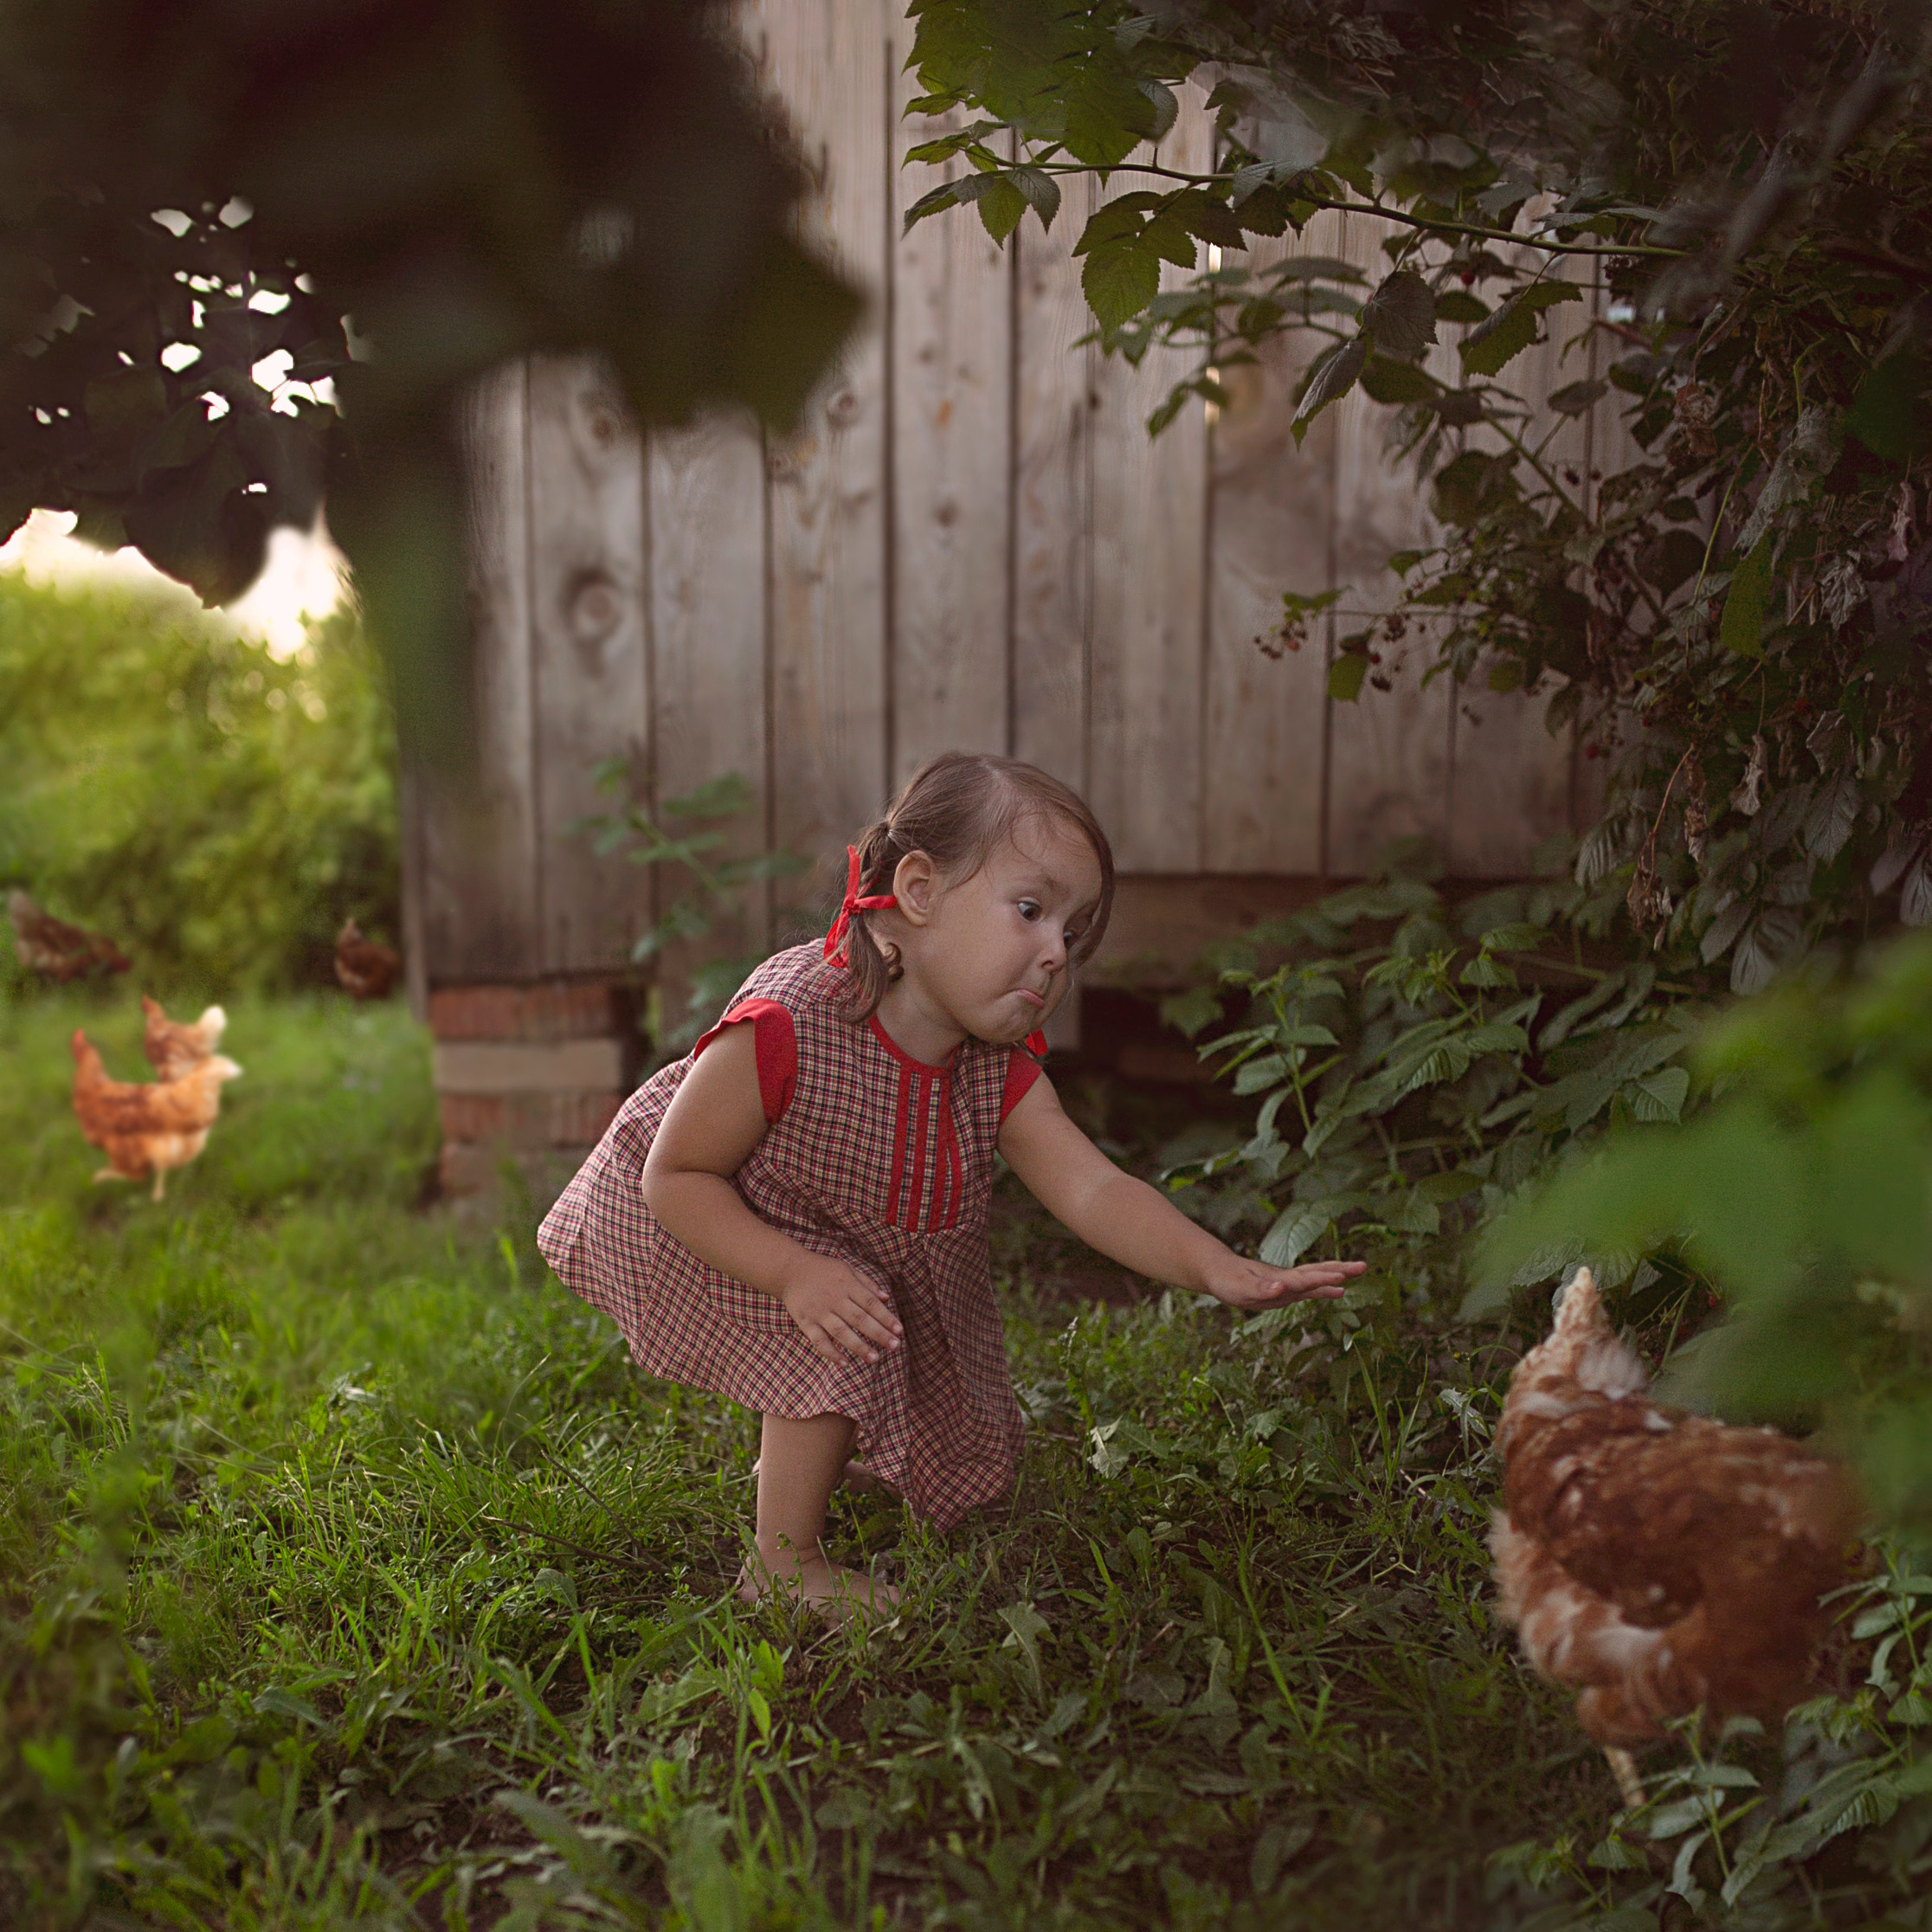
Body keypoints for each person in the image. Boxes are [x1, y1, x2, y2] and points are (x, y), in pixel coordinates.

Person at [538, 752, 1364, 1619]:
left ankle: (811, 1464)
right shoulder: (788, 1022)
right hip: (711, 1219)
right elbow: (679, 1174)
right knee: (832, 1345)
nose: (1054, 956)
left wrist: (1215, 1268)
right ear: (921, 891)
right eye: (1031, 911)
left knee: (885, 1349)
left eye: (1072, 933)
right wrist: (790, 1272)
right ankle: (781, 1566)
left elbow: (1092, 1190)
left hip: (836, 1244)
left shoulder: (990, 1067)